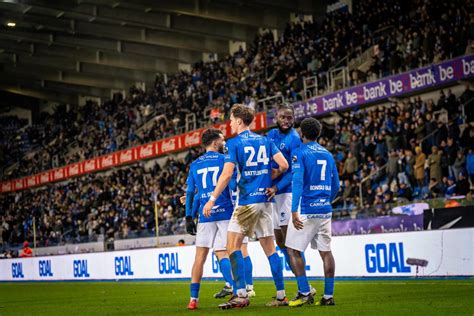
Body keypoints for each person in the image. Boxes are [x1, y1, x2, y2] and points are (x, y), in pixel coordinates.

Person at [203, 104, 289, 309]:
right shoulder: (265, 140)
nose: (230, 123)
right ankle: (281, 295)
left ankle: (241, 294)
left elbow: (226, 175)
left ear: (240, 121)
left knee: (232, 246)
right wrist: (272, 177)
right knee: (270, 249)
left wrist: (212, 198)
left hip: (247, 202)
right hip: (265, 201)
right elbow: (284, 165)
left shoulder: (233, 144)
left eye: (232, 119)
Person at [285, 117, 340, 307]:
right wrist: (326, 200)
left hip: (307, 209)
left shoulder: (299, 152)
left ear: (302, 132)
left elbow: (298, 181)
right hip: (325, 210)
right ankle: (328, 296)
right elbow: (336, 186)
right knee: (326, 252)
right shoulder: (328, 154)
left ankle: (304, 293)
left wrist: (294, 211)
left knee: (292, 250)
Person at [184, 128, 237, 310]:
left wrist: (189, 216)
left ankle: (193, 299)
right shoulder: (225, 160)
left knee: (200, 258)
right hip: (225, 212)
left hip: (205, 216)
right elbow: (233, 185)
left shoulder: (195, 165)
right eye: (222, 140)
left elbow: (191, 192)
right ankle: (237, 291)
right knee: (231, 252)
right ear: (215, 142)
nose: (224, 143)